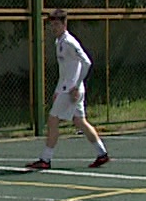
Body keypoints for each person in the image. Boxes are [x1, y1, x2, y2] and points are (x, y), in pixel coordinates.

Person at [26, 9, 110, 170]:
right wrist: (58, 90)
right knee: (79, 121)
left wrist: (76, 85)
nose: (54, 28)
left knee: (52, 120)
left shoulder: (69, 42)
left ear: (65, 24)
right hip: (66, 89)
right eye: (52, 25)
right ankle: (102, 153)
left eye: (57, 24)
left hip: (71, 90)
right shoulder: (60, 42)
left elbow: (87, 62)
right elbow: (65, 71)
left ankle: (45, 159)